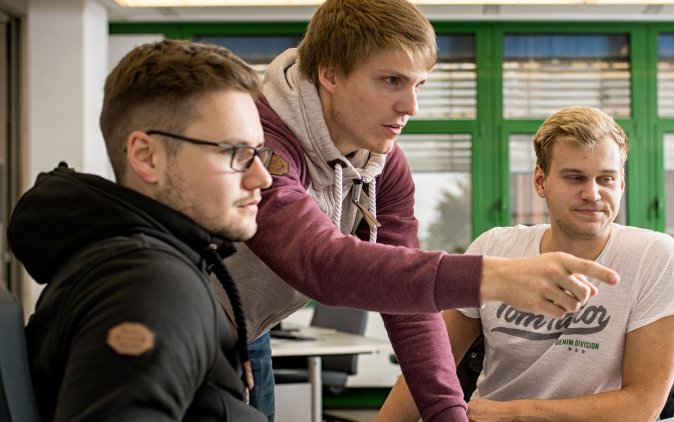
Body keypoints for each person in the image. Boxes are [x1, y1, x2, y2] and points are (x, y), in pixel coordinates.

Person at [223, 1, 620, 421]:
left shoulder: (383, 162)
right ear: (331, 73)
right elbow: (319, 263)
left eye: (419, 85)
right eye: (391, 81)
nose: (410, 106)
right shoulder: (259, 137)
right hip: (176, 322)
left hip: (249, 331)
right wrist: (495, 277)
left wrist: (448, 415)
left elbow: (408, 305)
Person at [378, 106, 674, 421]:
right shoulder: (495, 248)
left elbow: (641, 408)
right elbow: (429, 366)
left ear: (622, 184)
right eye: (575, 178)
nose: (593, 193)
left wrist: (514, 413)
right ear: (540, 181)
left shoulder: (656, 257)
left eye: (606, 179)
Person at [10, 40, 272, 420]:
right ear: (147, 157)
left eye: (259, 152)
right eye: (235, 153)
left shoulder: (139, 261)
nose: (261, 177)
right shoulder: (150, 284)